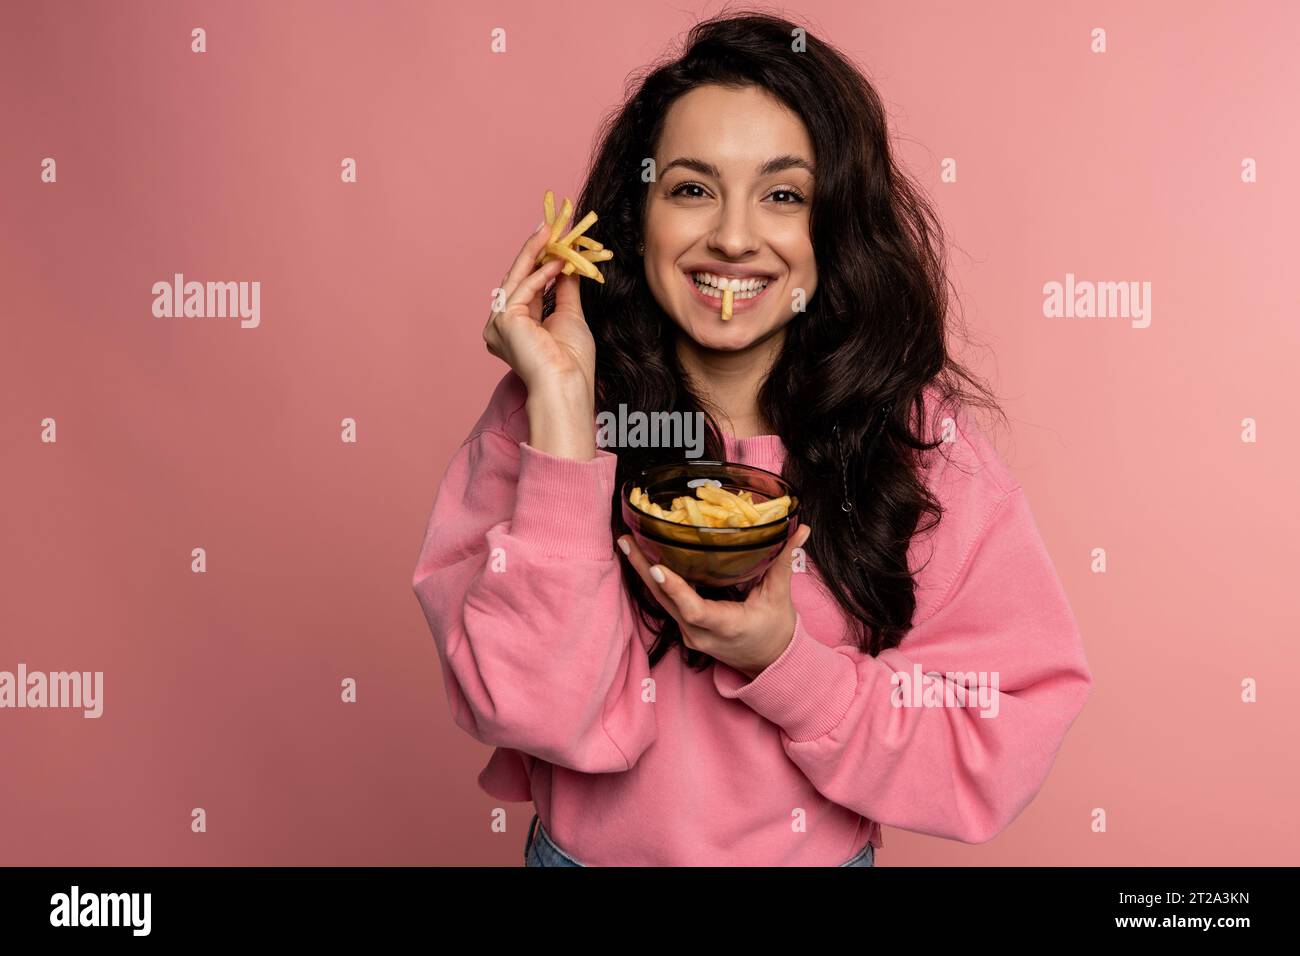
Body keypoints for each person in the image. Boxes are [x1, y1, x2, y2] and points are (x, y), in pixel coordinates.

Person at [411, 12, 1092, 867]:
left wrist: (787, 664)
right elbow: (529, 707)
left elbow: (1002, 728)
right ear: (635, 218)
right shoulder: (544, 420)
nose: (733, 237)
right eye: (692, 188)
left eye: (782, 195)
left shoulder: (912, 439)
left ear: (832, 229)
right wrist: (562, 415)